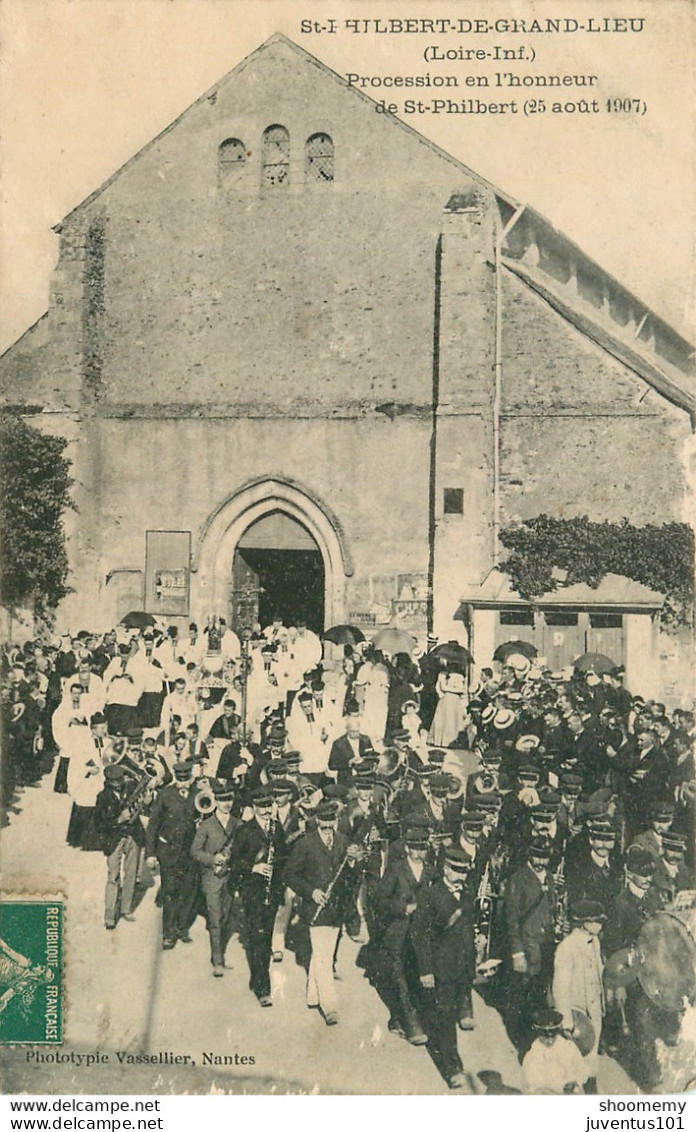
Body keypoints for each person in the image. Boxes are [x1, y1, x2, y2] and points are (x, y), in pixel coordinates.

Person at [285, 798, 362, 1025]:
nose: (328, 826)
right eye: (324, 821)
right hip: (315, 908)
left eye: (332, 821)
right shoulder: (305, 844)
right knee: (323, 955)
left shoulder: (344, 841)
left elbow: (351, 877)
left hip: (336, 909)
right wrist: (311, 892)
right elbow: (290, 875)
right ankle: (329, 1004)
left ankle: (313, 995)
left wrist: (353, 863)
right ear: (317, 820)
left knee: (323, 954)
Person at [410, 846, 477, 1089]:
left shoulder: (467, 893)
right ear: (446, 869)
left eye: (464, 872)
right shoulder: (430, 895)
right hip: (441, 968)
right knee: (446, 1018)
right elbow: (419, 935)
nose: (460, 876)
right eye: (456, 871)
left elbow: (468, 930)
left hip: (463, 968)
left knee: (450, 1012)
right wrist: (425, 970)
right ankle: (452, 1068)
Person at [371, 825, 431, 1045]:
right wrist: (403, 908)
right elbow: (379, 901)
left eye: (423, 848)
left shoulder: (431, 871)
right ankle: (410, 1023)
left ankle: (401, 1018)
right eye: (415, 848)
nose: (419, 853)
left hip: (421, 935)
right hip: (398, 933)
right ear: (407, 848)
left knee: (416, 977)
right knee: (400, 979)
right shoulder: (396, 869)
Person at [228, 786, 287, 1006]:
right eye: (261, 807)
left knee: (265, 937)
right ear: (253, 808)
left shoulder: (276, 828)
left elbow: (282, 857)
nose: (265, 810)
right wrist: (253, 867)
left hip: (271, 892)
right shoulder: (245, 831)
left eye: (268, 806)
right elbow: (234, 861)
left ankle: (257, 977)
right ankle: (263, 988)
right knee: (257, 938)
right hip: (253, 891)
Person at [505, 840, 557, 1055]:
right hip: (527, 948)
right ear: (529, 855)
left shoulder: (550, 877)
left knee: (541, 995)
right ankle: (524, 1044)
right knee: (525, 998)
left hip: (545, 948)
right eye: (537, 856)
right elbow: (512, 920)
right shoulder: (518, 879)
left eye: (545, 856)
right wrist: (517, 953)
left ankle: (540, 1040)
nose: (541, 861)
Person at [145, 758, 200, 949]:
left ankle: (181, 927)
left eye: (187, 779)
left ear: (191, 777)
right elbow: (153, 825)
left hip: (190, 853)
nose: (184, 783)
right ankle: (168, 933)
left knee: (188, 892)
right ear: (176, 778)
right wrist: (150, 854)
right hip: (168, 851)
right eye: (181, 779)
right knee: (170, 892)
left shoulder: (199, 793)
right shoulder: (165, 794)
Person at [552, 899, 606, 1089]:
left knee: (591, 1056)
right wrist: (566, 1021)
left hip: (594, 1009)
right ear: (582, 921)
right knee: (573, 1059)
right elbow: (560, 988)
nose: (600, 925)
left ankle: (591, 1087)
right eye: (595, 921)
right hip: (577, 1014)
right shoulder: (567, 947)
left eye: (601, 921)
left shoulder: (595, 942)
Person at [190, 779, 241, 977]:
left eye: (229, 799)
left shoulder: (238, 823)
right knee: (215, 919)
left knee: (226, 917)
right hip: (212, 877)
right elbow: (195, 851)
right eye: (222, 799)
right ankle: (217, 960)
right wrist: (213, 859)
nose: (226, 803)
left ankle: (220, 955)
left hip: (230, 877)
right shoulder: (206, 824)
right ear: (216, 801)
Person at [94, 762, 146, 930]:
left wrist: (146, 802)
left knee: (131, 874)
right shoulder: (102, 797)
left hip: (133, 836)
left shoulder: (130, 788)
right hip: (114, 839)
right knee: (113, 877)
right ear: (109, 782)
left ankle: (126, 909)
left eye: (120, 780)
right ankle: (110, 916)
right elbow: (99, 824)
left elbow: (139, 805)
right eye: (115, 781)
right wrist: (118, 820)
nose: (119, 783)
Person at [522, 1009, 589, 1094]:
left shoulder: (568, 1047)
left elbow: (582, 1069)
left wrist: (576, 1082)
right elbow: (534, 1085)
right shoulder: (532, 1056)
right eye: (545, 1037)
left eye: (553, 1036)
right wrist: (561, 1088)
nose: (550, 1041)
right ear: (538, 1034)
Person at [328, 712, 374, 787]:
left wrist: (364, 759)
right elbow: (332, 764)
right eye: (352, 731)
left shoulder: (366, 739)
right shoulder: (338, 743)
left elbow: (372, 757)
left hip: (364, 777)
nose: (355, 734)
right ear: (347, 729)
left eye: (357, 731)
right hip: (347, 779)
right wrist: (348, 763)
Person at [428, 667, 467, 748]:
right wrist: (442, 694)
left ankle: (451, 741)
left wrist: (452, 689)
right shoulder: (443, 674)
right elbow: (440, 687)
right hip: (446, 699)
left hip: (455, 700)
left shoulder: (460, 676)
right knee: (444, 719)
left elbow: (462, 689)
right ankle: (441, 741)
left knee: (453, 720)